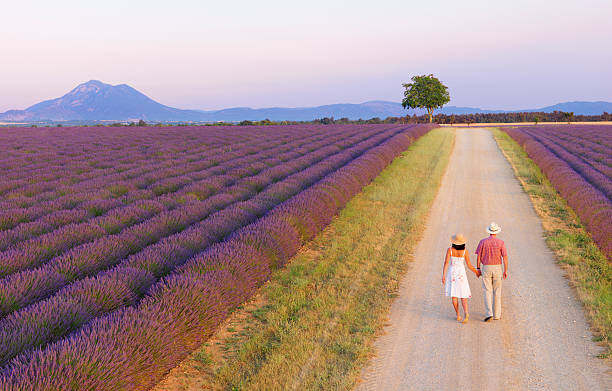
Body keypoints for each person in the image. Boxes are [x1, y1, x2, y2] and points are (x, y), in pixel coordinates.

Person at [442, 234, 479, 323]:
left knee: (454, 295)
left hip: (452, 273)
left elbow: (446, 263)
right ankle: (466, 313)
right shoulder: (464, 251)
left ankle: (458, 314)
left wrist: (443, 275)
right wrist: (477, 272)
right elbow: (469, 265)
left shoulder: (450, 250)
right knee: (463, 295)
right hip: (461, 273)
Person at [476, 222, 509, 322]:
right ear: (496, 232)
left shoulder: (482, 242)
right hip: (497, 267)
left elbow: (478, 256)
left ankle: (489, 313)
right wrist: (505, 270)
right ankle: (497, 315)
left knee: (487, 291)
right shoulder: (501, 242)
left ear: (489, 231)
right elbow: (505, 257)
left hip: (486, 267)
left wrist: (478, 268)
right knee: (497, 292)